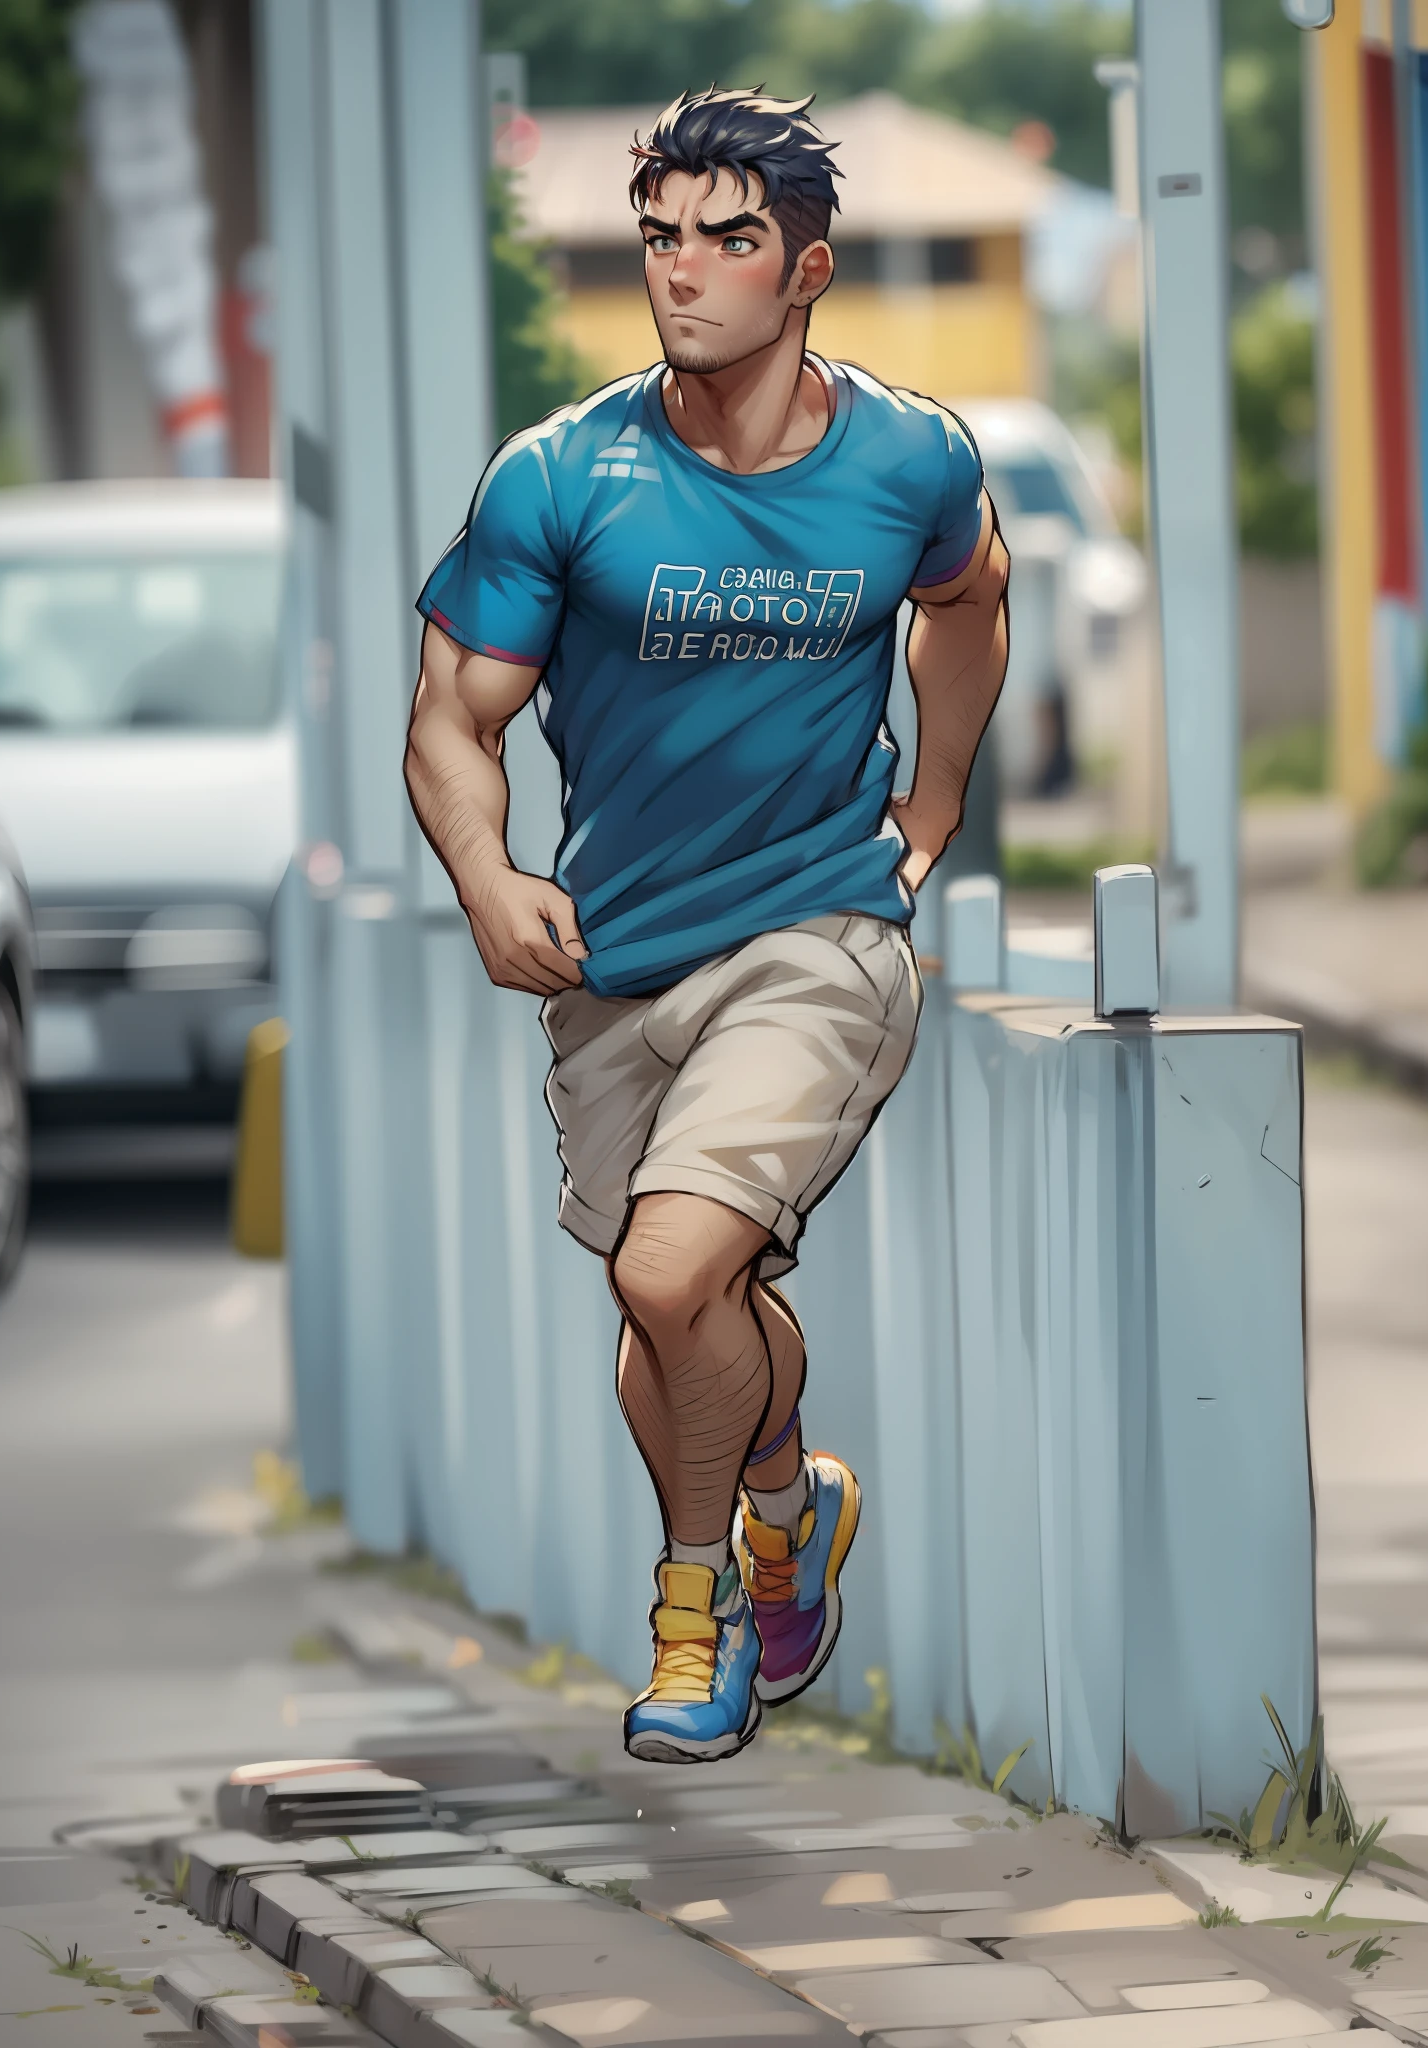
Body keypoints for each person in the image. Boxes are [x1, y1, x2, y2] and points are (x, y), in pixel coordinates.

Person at [403, 87, 1008, 1765]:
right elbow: (451, 719)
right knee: (668, 1329)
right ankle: (783, 1502)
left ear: (805, 268)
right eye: (659, 237)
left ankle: (698, 1626)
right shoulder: (562, 478)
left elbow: (971, 602)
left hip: (816, 929)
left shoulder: (909, 458)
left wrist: (934, 805)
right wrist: (488, 873)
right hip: (620, 958)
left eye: (726, 240)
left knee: (679, 1271)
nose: (682, 273)